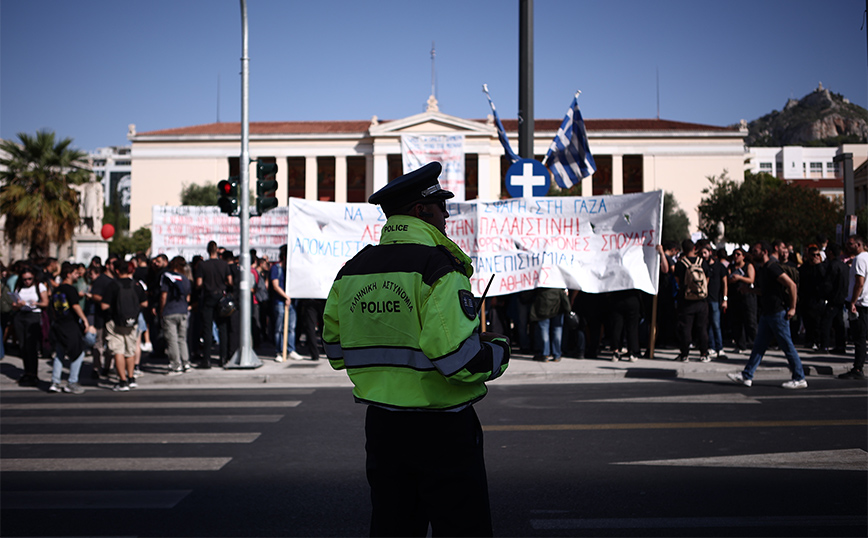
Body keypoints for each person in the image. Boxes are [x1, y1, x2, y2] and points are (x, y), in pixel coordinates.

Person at [323, 162, 510, 537]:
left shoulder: (352, 270)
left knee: (393, 527)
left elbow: (336, 351)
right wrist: (499, 351)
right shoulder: (438, 266)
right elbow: (460, 361)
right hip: (442, 429)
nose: (446, 216)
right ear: (420, 211)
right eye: (442, 207)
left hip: (383, 428)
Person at [727, 241, 807, 389]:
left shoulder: (772, 267)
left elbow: (792, 285)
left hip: (778, 313)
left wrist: (793, 308)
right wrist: (750, 290)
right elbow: (765, 291)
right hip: (767, 313)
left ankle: (799, 377)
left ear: (764, 252)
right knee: (759, 346)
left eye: (755, 250)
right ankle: (747, 375)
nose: (752, 252)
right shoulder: (763, 269)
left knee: (787, 346)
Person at [101, 259, 147, 391]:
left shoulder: (112, 285)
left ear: (116, 271)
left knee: (118, 351)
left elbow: (104, 305)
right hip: (132, 322)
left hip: (114, 322)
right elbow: (145, 303)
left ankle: (122, 381)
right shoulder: (136, 285)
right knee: (130, 350)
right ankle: (131, 378)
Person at [48, 263, 91, 394]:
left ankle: (55, 382)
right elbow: (75, 306)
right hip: (70, 325)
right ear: (68, 274)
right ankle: (72, 382)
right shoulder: (70, 289)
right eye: (75, 273)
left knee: (60, 353)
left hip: (59, 324)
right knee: (78, 352)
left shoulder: (57, 289)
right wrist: (84, 320)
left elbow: (53, 309)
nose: (78, 275)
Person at [195, 241, 232, 368]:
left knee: (207, 328)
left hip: (208, 296)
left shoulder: (203, 265)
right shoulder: (224, 264)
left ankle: (206, 359)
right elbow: (230, 281)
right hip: (221, 296)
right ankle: (223, 358)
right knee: (222, 328)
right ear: (217, 251)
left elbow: (199, 283)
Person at [11, 267, 49, 386]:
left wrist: (35, 303)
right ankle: (27, 372)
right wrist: (18, 305)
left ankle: (33, 373)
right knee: (23, 346)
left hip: (33, 315)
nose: (27, 281)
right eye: (24, 279)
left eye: (29, 279)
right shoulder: (19, 287)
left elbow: (45, 302)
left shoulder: (39, 286)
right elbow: (14, 304)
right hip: (21, 315)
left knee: (31, 346)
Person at [674, 239, 710, 362]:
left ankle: (684, 354)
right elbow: (707, 278)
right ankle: (704, 353)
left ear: (683, 250)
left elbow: (678, 281)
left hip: (686, 300)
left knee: (686, 328)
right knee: (702, 328)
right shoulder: (702, 262)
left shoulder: (681, 264)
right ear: (694, 248)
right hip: (702, 300)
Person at [839, 235, 868, 380]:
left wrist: (852, 302)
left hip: (860, 304)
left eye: (850, 244)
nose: (847, 247)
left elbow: (859, 283)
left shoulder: (859, 259)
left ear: (858, 245)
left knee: (859, 338)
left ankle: (858, 367)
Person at [160, 256, 192, 375]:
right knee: (182, 339)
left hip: (170, 310)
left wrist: (161, 310)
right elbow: (188, 297)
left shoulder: (167, 277)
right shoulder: (185, 279)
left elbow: (164, 295)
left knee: (172, 339)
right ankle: (186, 362)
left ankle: (175, 364)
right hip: (183, 310)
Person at [271, 245, 303, 361]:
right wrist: (286, 296)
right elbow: (275, 285)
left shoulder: (291, 269)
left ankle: (290, 349)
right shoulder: (276, 268)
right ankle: (279, 352)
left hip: (291, 303)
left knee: (291, 328)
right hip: (280, 302)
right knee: (279, 329)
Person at [701, 241, 728, 360]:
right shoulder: (703, 265)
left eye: (705, 253)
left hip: (716, 299)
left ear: (710, 253)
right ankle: (711, 347)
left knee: (716, 324)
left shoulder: (719, 267)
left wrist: (725, 299)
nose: (703, 255)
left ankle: (719, 348)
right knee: (708, 324)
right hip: (706, 299)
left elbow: (725, 283)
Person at [727, 248, 757, 354]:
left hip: (747, 296)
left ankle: (755, 343)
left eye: (738, 254)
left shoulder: (748, 266)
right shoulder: (731, 267)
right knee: (737, 322)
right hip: (735, 296)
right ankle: (740, 344)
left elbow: (751, 279)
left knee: (750, 321)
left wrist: (740, 278)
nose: (736, 256)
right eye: (734, 254)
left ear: (743, 256)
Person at [530, 287, 569, 362]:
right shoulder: (559, 283)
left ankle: (545, 354)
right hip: (557, 304)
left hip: (544, 304)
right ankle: (557, 354)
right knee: (557, 329)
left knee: (544, 329)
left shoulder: (543, 284)